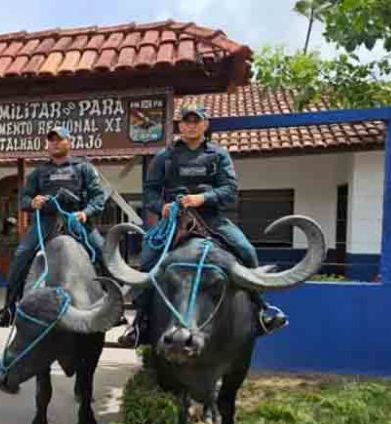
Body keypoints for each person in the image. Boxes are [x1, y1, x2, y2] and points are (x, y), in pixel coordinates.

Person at [118, 104, 288, 347]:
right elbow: (150, 192)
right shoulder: (165, 157)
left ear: (205, 124)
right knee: (147, 260)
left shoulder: (219, 155)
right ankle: (140, 323)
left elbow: (230, 191)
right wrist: (161, 206)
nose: (191, 125)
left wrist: (203, 199)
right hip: (174, 220)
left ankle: (261, 311)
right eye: (186, 121)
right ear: (179, 126)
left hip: (212, 219)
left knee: (247, 251)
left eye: (196, 121)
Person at [0, 126, 109, 327]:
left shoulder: (84, 168)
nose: (54, 143)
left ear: (69, 142)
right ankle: (8, 309)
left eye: (59, 139)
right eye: (51, 140)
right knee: (21, 254)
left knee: (104, 252)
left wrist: (85, 213)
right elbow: (24, 200)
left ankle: (112, 306)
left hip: (76, 219)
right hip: (46, 221)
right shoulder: (39, 172)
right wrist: (32, 202)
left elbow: (98, 197)